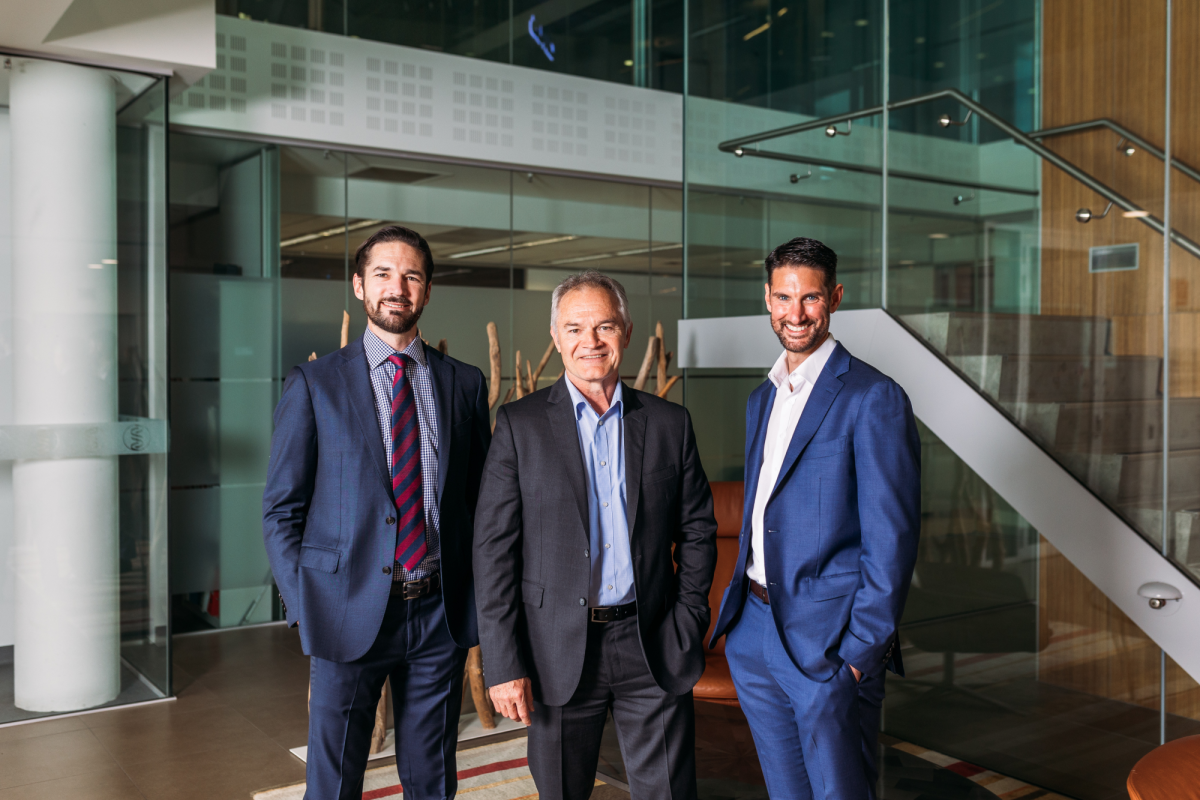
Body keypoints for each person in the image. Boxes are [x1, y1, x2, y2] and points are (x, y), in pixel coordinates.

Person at [263, 225, 491, 800]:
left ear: (428, 290)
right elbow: (280, 510)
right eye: (384, 274)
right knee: (334, 780)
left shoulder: (464, 384)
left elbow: (478, 504)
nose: (398, 286)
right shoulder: (314, 384)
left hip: (438, 614)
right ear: (359, 287)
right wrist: (306, 604)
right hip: (343, 614)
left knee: (432, 779)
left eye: (412, 275)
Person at [474, 271, 717, 800]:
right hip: (554, 649)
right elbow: (492, 552)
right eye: (575, 328)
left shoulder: (669, 423)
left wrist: (688, 616)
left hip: (650, 642)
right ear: (557, 337)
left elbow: (698, 528)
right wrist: (503, 661)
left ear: (627, 333)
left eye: (605, 326)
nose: (591, 341)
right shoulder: (520, 425)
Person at [710, 237, 921, 800]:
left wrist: (856, 656)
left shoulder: (873, 398)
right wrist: (739, 635)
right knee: (786, 791)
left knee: (839, 793)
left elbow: (892, 540)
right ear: (767, 299)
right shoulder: (764, 396)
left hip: (827, 644)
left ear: (835, 298)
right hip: (753, 632)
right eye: (784, 297)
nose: (795, 313)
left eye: (810, 298)